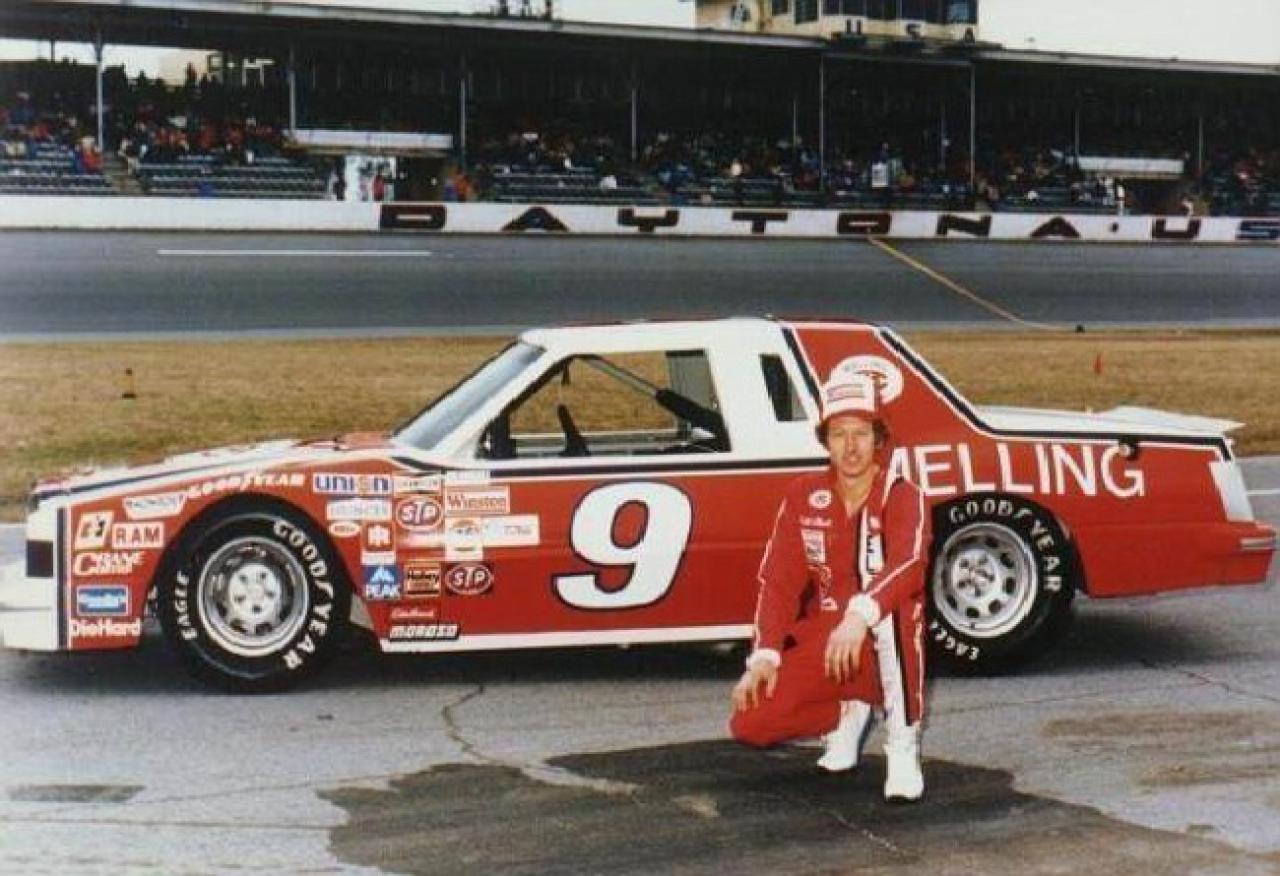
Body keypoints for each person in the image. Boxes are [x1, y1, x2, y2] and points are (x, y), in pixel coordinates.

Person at [730, 369, 930, 802]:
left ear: (879, 439)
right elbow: (778, 582)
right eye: (839, 434)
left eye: (861, 434)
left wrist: (859, 616)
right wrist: (764, 655)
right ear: (825, 440)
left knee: (897, 620)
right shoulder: (803, 494)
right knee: (751, 721)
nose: (850, 447)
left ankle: (902, 747)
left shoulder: (903, 495)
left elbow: (910, 564)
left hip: (882, 638)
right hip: (827, 637)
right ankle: (845, 711)